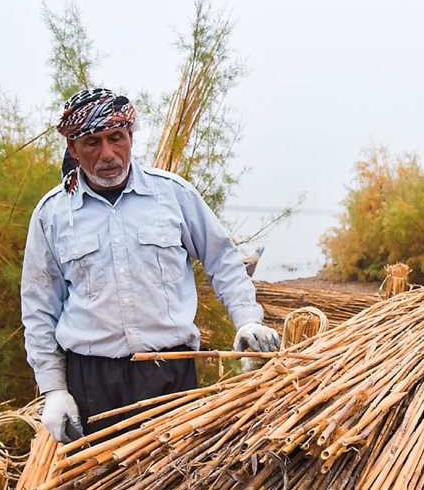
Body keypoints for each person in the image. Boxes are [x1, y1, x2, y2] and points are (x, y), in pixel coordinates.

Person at [21, 87, 280, 444]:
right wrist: (53, 389)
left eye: (116, 138)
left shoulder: (173, 195)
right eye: (92, 143)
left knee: (177, 484)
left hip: (170, 373)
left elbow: (223, 260)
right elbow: (38, 309)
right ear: (73, 149)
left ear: (130, 136)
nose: (108, 154)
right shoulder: (52, 213)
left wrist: (247, 318)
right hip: (92, 381)